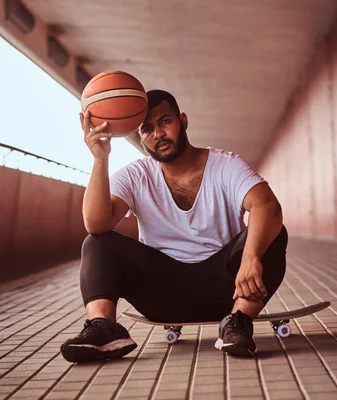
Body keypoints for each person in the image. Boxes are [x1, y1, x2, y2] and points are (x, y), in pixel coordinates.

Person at [61, 90, 288, 363]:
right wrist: (100, 158)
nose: (157, 134)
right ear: (140, 137)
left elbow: (267, 206)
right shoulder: (136, 175)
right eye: (147, 129)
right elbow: (96, 224)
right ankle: (103, 328)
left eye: (165, 122)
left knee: (272, 233)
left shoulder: (225, 165)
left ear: (183, 121)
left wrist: (250, 257)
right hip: (162, 295)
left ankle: (238, 324)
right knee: (97, 242)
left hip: (227, 290)